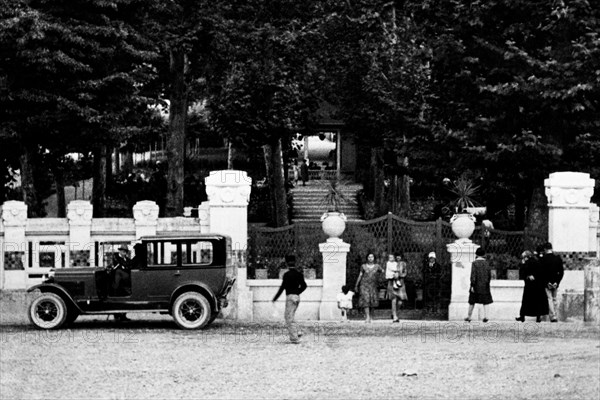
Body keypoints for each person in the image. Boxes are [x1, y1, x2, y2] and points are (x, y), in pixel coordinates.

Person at [272, 255, 307, 343]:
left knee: (288, 317)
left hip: (290, 297)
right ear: (295, 263)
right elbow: (304, 286)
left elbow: (282, 287)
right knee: (291, 316)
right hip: (297, 297)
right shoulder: (299, 274)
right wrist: (297, 292)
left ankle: (294, 338)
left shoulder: (286, 275)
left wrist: (275, 298)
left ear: (287, 264)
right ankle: (297, 332)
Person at [516, 250, 549, 323]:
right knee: (537, 302)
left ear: (526, 257)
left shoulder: (526, 263)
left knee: (526, 302)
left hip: (529, 286)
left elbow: (522, 273)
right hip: (538, 286)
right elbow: (541, 273)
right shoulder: (537, 262)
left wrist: (523, 266)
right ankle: (538, 317)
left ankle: (522, 316)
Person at [465, 247, 493, 322]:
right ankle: (486, 316)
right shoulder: (487, 263)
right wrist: (487, 283)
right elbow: (489, 275)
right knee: (486, 302)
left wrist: (472, 285)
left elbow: (473, 275)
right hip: (485, 285)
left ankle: (469, 316)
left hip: (476, 285)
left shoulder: (474, 263)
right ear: (484, 254)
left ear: (476, 254)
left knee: (472, 301)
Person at [354, 253, 383, 323]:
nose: (370, 258)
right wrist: (356, 285)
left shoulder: (377, 266)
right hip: (364, 285)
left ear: (374, 258)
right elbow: (360, 275)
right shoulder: (363, 266)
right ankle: (367, 317)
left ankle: (371, 316)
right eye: (369, 257)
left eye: (372, 257)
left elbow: (383, 272)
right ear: (367, 258)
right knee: (366, 300)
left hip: (373, 285)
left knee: (372, 301)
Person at [540, 242, 564, 322]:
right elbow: (561, 272)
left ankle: (553, 316)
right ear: (551, 248)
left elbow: (542, 273)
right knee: (554, 299)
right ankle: (555, 315)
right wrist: (557, 282)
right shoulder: (557, 258)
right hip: (555, 282)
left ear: (545, 249)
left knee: (549, 299)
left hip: (547, 283)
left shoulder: (543, 259)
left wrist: (547, 282)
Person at [110, 245, 132, 321]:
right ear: (119, 251)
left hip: (125, 284)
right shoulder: (115, 259)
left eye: (125, 251)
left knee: (125, 300)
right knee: (117, 300)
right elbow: (116, 269)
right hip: (118, 284)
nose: (124, 252)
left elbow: (128, 268)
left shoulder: (128, 260)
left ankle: (123, 315)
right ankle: (117, 316)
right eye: (123, 251)